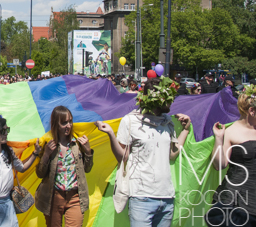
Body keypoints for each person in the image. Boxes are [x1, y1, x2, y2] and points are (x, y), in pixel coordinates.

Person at [95, 77, 192, 227]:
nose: (171, 101)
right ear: (156, 98)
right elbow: (123, 157)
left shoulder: (167, 122)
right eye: (168, 97)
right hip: (141, 197)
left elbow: (172, 155)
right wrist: (111, 135)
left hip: (167, 197)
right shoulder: (130, 121)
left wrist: (185, 130)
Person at [35, 106, 93, 227]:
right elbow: (40, 174)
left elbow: (87, 169)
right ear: (56, 124)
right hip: (53, 197)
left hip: (75, 197)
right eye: (64, 122)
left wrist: (88, 151)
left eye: (70, 121)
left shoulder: (77, 143)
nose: (68, 125)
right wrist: (45, 155)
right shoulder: (49, 144)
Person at [206, 90, 256, 226]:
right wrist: (219, 138)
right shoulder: (231, 131)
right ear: (252, 111)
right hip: (236, 202)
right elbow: (219, 165)